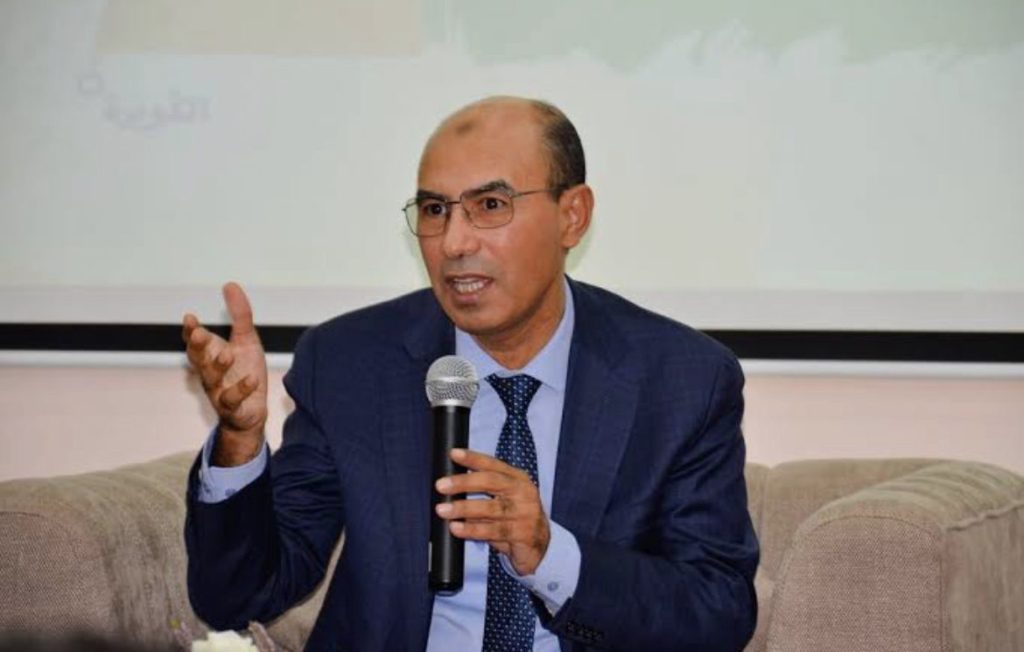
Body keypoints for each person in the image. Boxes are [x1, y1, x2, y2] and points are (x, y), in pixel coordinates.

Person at [183, 97, 759, 651]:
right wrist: (239, 440)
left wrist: (550, 554)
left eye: (490, 205)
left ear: (572, 216)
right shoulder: (350, 363)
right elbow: (239, 595)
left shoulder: (680, 381)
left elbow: (718, 611)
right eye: (435, 210)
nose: (455, 243)